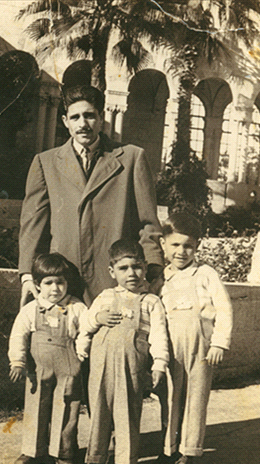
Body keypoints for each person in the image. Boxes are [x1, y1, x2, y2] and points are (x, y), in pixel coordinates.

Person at [18, 85, 163, 307]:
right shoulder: (45, 163)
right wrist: (28, 274)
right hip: (63, 283)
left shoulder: (132, 158)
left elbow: (148, 224)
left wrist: (153, 271)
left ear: (101, 117)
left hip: (116, 284)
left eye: (89, 116)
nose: (82, 124)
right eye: (75, 117)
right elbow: (33, 225)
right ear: (66, 122)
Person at [75, 239, 169, 464]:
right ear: (112, 272)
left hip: (132, 365)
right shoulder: (105, 297)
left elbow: (159, 335)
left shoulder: (151, 302)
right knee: (99, 408)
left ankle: (126, 462)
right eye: (123, 268)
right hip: (101, 364)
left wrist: (159, 363)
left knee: (128, 411)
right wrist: (95, 321)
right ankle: (95, 459)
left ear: (145, 268)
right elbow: (84, 326)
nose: (131, 274)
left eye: (137, 267)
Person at [159, 212, 233, 464]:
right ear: (163, 244)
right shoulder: (161, 278)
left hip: (200, 348)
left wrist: (219, 344)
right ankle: (167, 450)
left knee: (195, 399)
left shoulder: (205, 274)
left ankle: (188, 454)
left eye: (188, 245)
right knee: (170, 398)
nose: (181, 251)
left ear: (197, 246)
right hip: (171, 349)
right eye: (175, 245)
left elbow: (224, 308)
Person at [8, 253, 87, 464]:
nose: (55, 289)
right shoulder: (31, 309)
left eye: (60, 282)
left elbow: (86, 331)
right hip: (38, 368)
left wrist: (81, 352)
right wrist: (17, 361)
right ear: (37, 285)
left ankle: (64, 452)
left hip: (68, 366)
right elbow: (18, 335)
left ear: (67, 283)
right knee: (36, 405)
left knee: (67, 405)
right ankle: (33, 451)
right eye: (48, 283)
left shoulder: (76, 307)